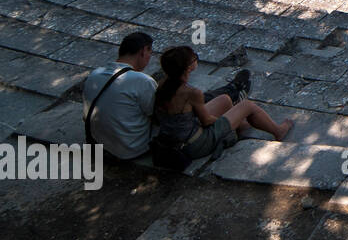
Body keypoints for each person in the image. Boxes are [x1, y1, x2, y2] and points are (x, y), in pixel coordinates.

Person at [152, 46, 291, 162]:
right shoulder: (192, 93)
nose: (196, 59)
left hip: (178, 136)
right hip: (194, 144)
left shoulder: (162, 86)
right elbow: (206, 121)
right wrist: (223, 122)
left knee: (224, 99)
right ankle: (278, 131)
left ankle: (241, 126)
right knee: (247, 105)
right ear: (188, 68)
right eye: (194, 58)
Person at [83, 32, 157, 161]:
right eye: (150, 53)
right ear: (144, 51)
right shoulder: (142, 80)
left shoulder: (95, 74)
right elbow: (156, 115)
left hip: (97, 144)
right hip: (131, 149)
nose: (149, 58)